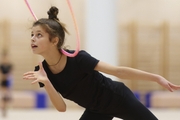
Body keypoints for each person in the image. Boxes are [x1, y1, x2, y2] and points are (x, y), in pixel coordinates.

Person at [23, 6, 180, 120]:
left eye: (38, 35)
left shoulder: (78, 58)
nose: (32, 38)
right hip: (96, 110)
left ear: (54, 40)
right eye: (32, 34)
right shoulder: (42, 71)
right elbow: (61, 108)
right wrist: (47, 83)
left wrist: (156, 78)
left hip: (118, 98)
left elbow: (118, 71)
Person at [0, 50, 13, 117]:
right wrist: (4, 77)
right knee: (3, 95)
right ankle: (3, 108)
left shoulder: (9, 65)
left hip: (8, 81)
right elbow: (1, 74)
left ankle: (6, 108)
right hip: (3, 81)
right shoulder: (1, 65)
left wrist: (7, 77)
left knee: (7, 96)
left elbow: (10, 74)